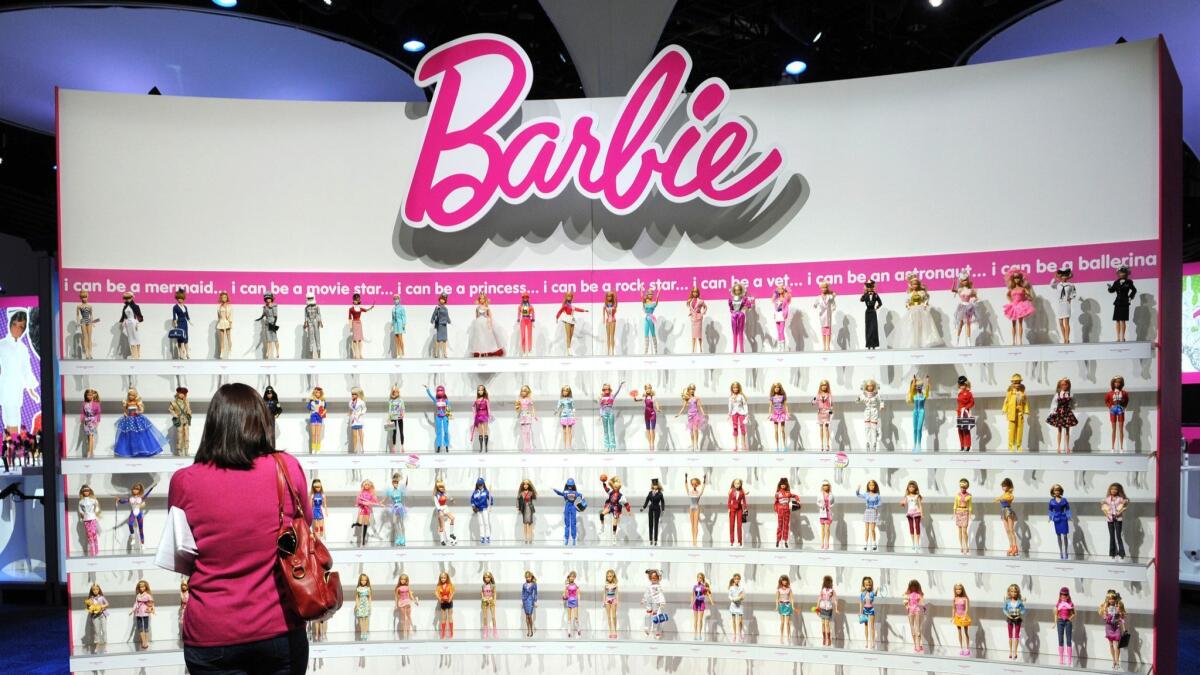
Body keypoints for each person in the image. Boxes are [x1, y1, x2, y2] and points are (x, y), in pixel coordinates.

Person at [155, 383, 311, 673]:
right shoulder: (287, 468)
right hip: (280, 628)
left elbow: (182, 555)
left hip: (211, 634)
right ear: (262, 422)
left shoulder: (184, 482)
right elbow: (305, 527)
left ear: (213, 425)